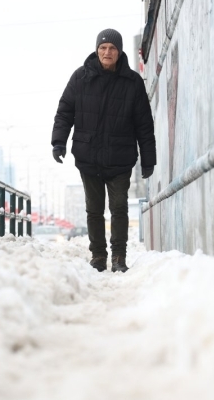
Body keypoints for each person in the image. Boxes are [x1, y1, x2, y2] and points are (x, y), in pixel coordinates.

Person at [50, 29, 156, 272]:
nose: (107, 52)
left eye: (112, 48)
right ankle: (98, 256)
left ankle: (119, 257)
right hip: (89, 157)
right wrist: (59, 142)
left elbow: (144, 125)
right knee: (94, 210)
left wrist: (148, 159)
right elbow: (64, 112)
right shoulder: (81, 77)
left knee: (118, 208)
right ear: (97, 50)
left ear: (119, 52)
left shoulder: (133, 83)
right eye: (103, 48)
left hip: (120, 158)